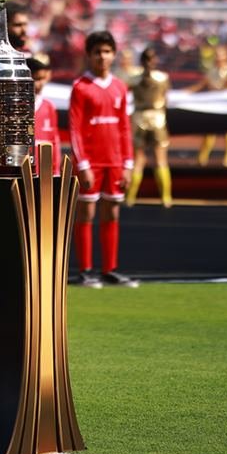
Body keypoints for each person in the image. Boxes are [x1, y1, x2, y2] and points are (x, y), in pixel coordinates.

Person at [69, 31, 138, 288]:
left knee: (112, 212)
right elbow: (75, 130)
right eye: (97, 52)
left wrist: (128, 164)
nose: (102, 56)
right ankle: (86, 270)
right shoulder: (80, 87)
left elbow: (124, 128)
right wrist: (83, 164)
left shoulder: (120, 87)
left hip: (115, 161)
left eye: (107, 51)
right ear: (89, 55)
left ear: (114, 55)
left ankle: (110, 269)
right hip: (91, 162)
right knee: (86, 212)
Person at [126, 48, 173, 207]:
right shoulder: (162, 78)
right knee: (160, 159)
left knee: (138, 160)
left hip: (139, 118)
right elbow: (166, 99)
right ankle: (166, 198)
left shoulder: (133, 79)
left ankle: (130, 197)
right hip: (158, 118)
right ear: (155, 61)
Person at [188, 45, 227, 168]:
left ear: (226, 56)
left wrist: (218, 90)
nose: (217, 57)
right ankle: (202, 158)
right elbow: (201, 85)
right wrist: (183, 93)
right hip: (214, 106)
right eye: (216, 55)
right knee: (209, 132)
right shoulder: (212, 71)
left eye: (220, 54)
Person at [29, 54, 62, 176]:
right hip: (25, 169)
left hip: (44, 170)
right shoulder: (18, 106)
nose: (40, 84)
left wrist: (56, 170)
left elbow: (55, 141)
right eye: (36, 79)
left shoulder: (49, 106)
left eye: (42, 78)